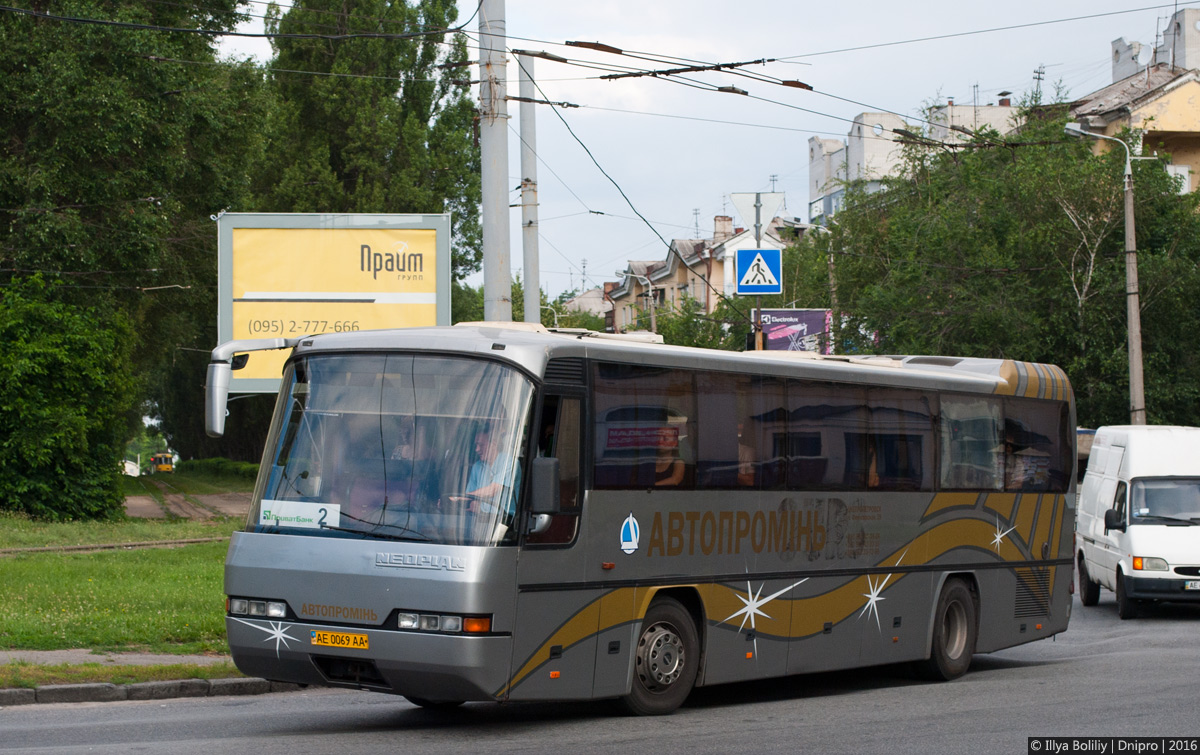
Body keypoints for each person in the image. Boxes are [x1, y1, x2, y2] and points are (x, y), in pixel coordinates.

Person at [464, 423, 518, 517]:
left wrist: (464, 497)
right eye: (476, 445)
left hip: (504, 520)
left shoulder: (509, 462)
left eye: (481, 445)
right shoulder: (477, 466)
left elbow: (492, 490)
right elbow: (471, 497)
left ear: (494, 444)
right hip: (480, 520)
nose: (477, 449)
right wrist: (452, 500)